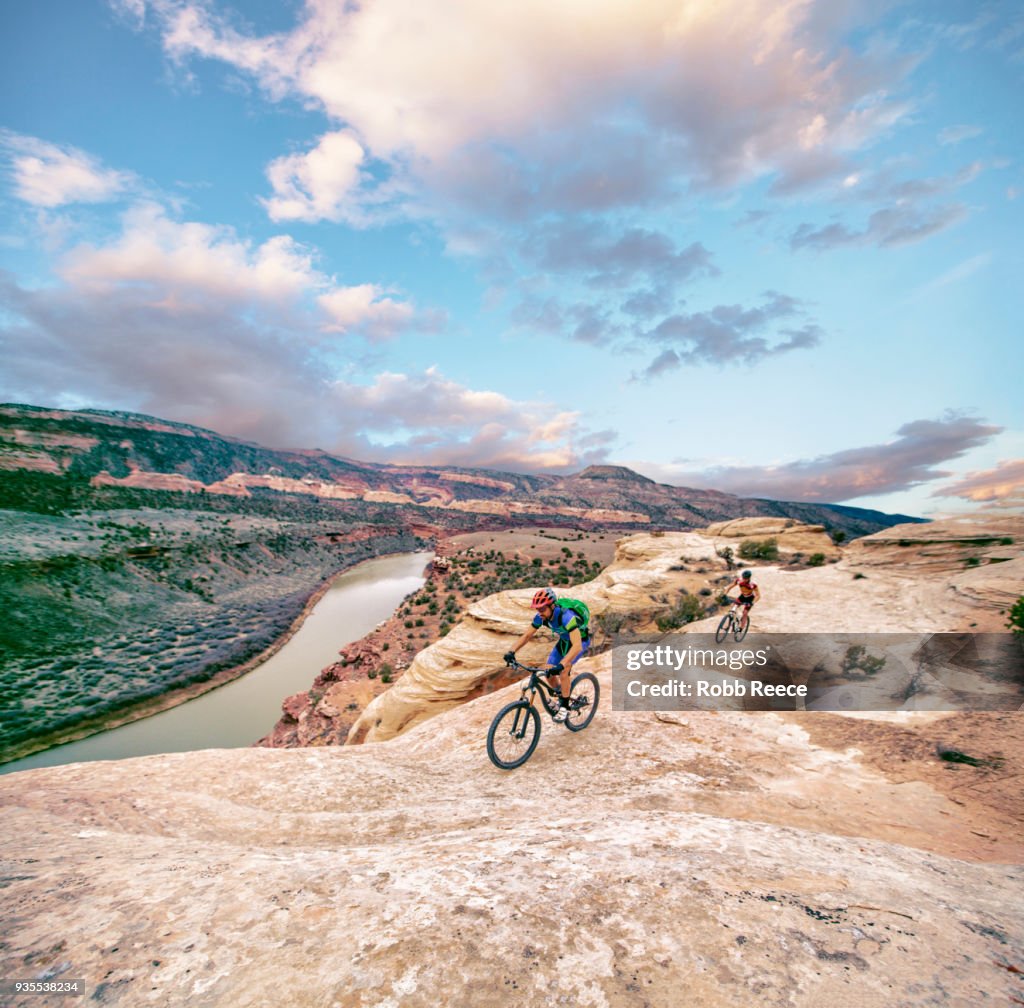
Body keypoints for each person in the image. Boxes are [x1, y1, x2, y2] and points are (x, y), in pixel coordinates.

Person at [504, 587, 590, 722]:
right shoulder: (541, 617)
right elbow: (527, 636)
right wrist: (511, 651)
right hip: (564, 642)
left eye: (542, 609)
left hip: (579, 643)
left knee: (564, 670)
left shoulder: (567, 617)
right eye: (538, 609)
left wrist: (562, 664)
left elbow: (577, 645)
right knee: (548, 671)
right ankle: (562, 695)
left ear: (552, 605)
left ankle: (565, 707)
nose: (540, 613)